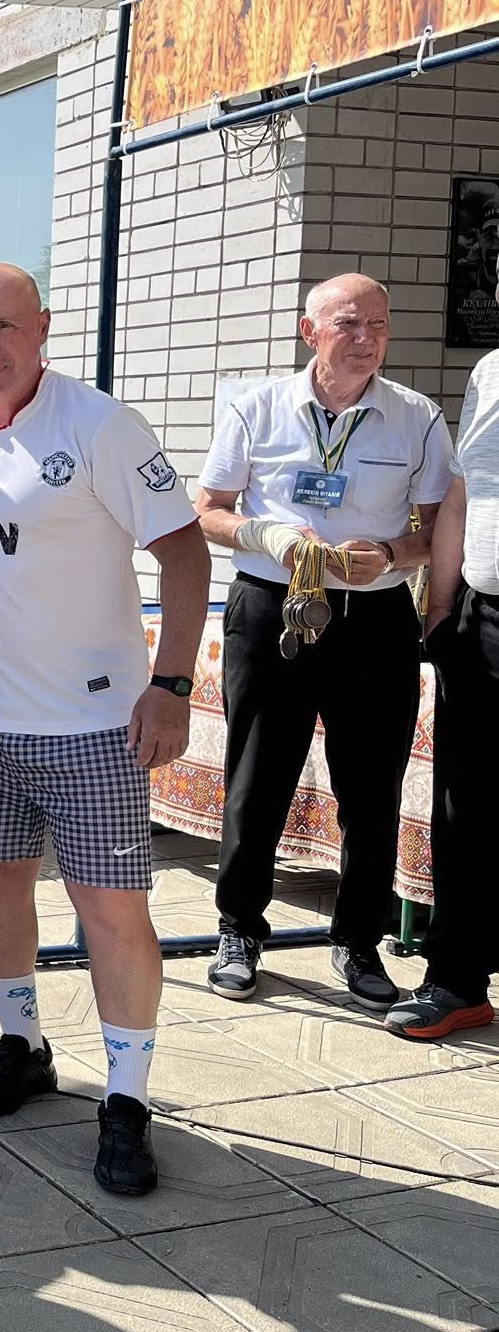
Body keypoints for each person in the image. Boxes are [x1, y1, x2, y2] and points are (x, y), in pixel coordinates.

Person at [0, 262, 210, 1195]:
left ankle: (126, 1099)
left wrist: (172, 685)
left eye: (6, 326)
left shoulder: (101, 425)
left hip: (93, 724)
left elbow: (186, 553)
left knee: (111, 910)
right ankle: (23, 1044)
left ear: (43, 328)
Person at [194, 274, 450, 1011]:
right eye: (349, 323)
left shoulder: (417, 417)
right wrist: (263, 535)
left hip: (374, 617)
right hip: (274, 607)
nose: (366, 339)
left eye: (379, 324)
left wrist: (396, 554)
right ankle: (239, 930)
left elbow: (439, 527)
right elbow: (207, 510)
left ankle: (359, 941)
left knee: (371, 789)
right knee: (258, 777)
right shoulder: (256, 407)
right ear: (310, 332)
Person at [386, 340, 499, 1040]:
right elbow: (462, 488)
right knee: (467, 809)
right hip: (484, 618)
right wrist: (442, 609)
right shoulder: (490, 369)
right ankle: (457, 981)